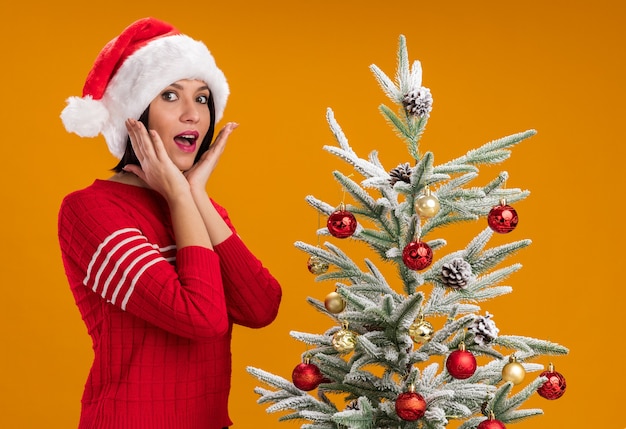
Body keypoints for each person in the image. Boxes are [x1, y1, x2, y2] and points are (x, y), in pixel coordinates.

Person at [58, 17, 282, 429]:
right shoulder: (89, 211)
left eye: (202, 99)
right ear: (134, 116)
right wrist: (182, 196)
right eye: (170, 95)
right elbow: (202, 318)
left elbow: (261, 307)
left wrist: (193, 195)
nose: (192, 115)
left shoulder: (199, 206)